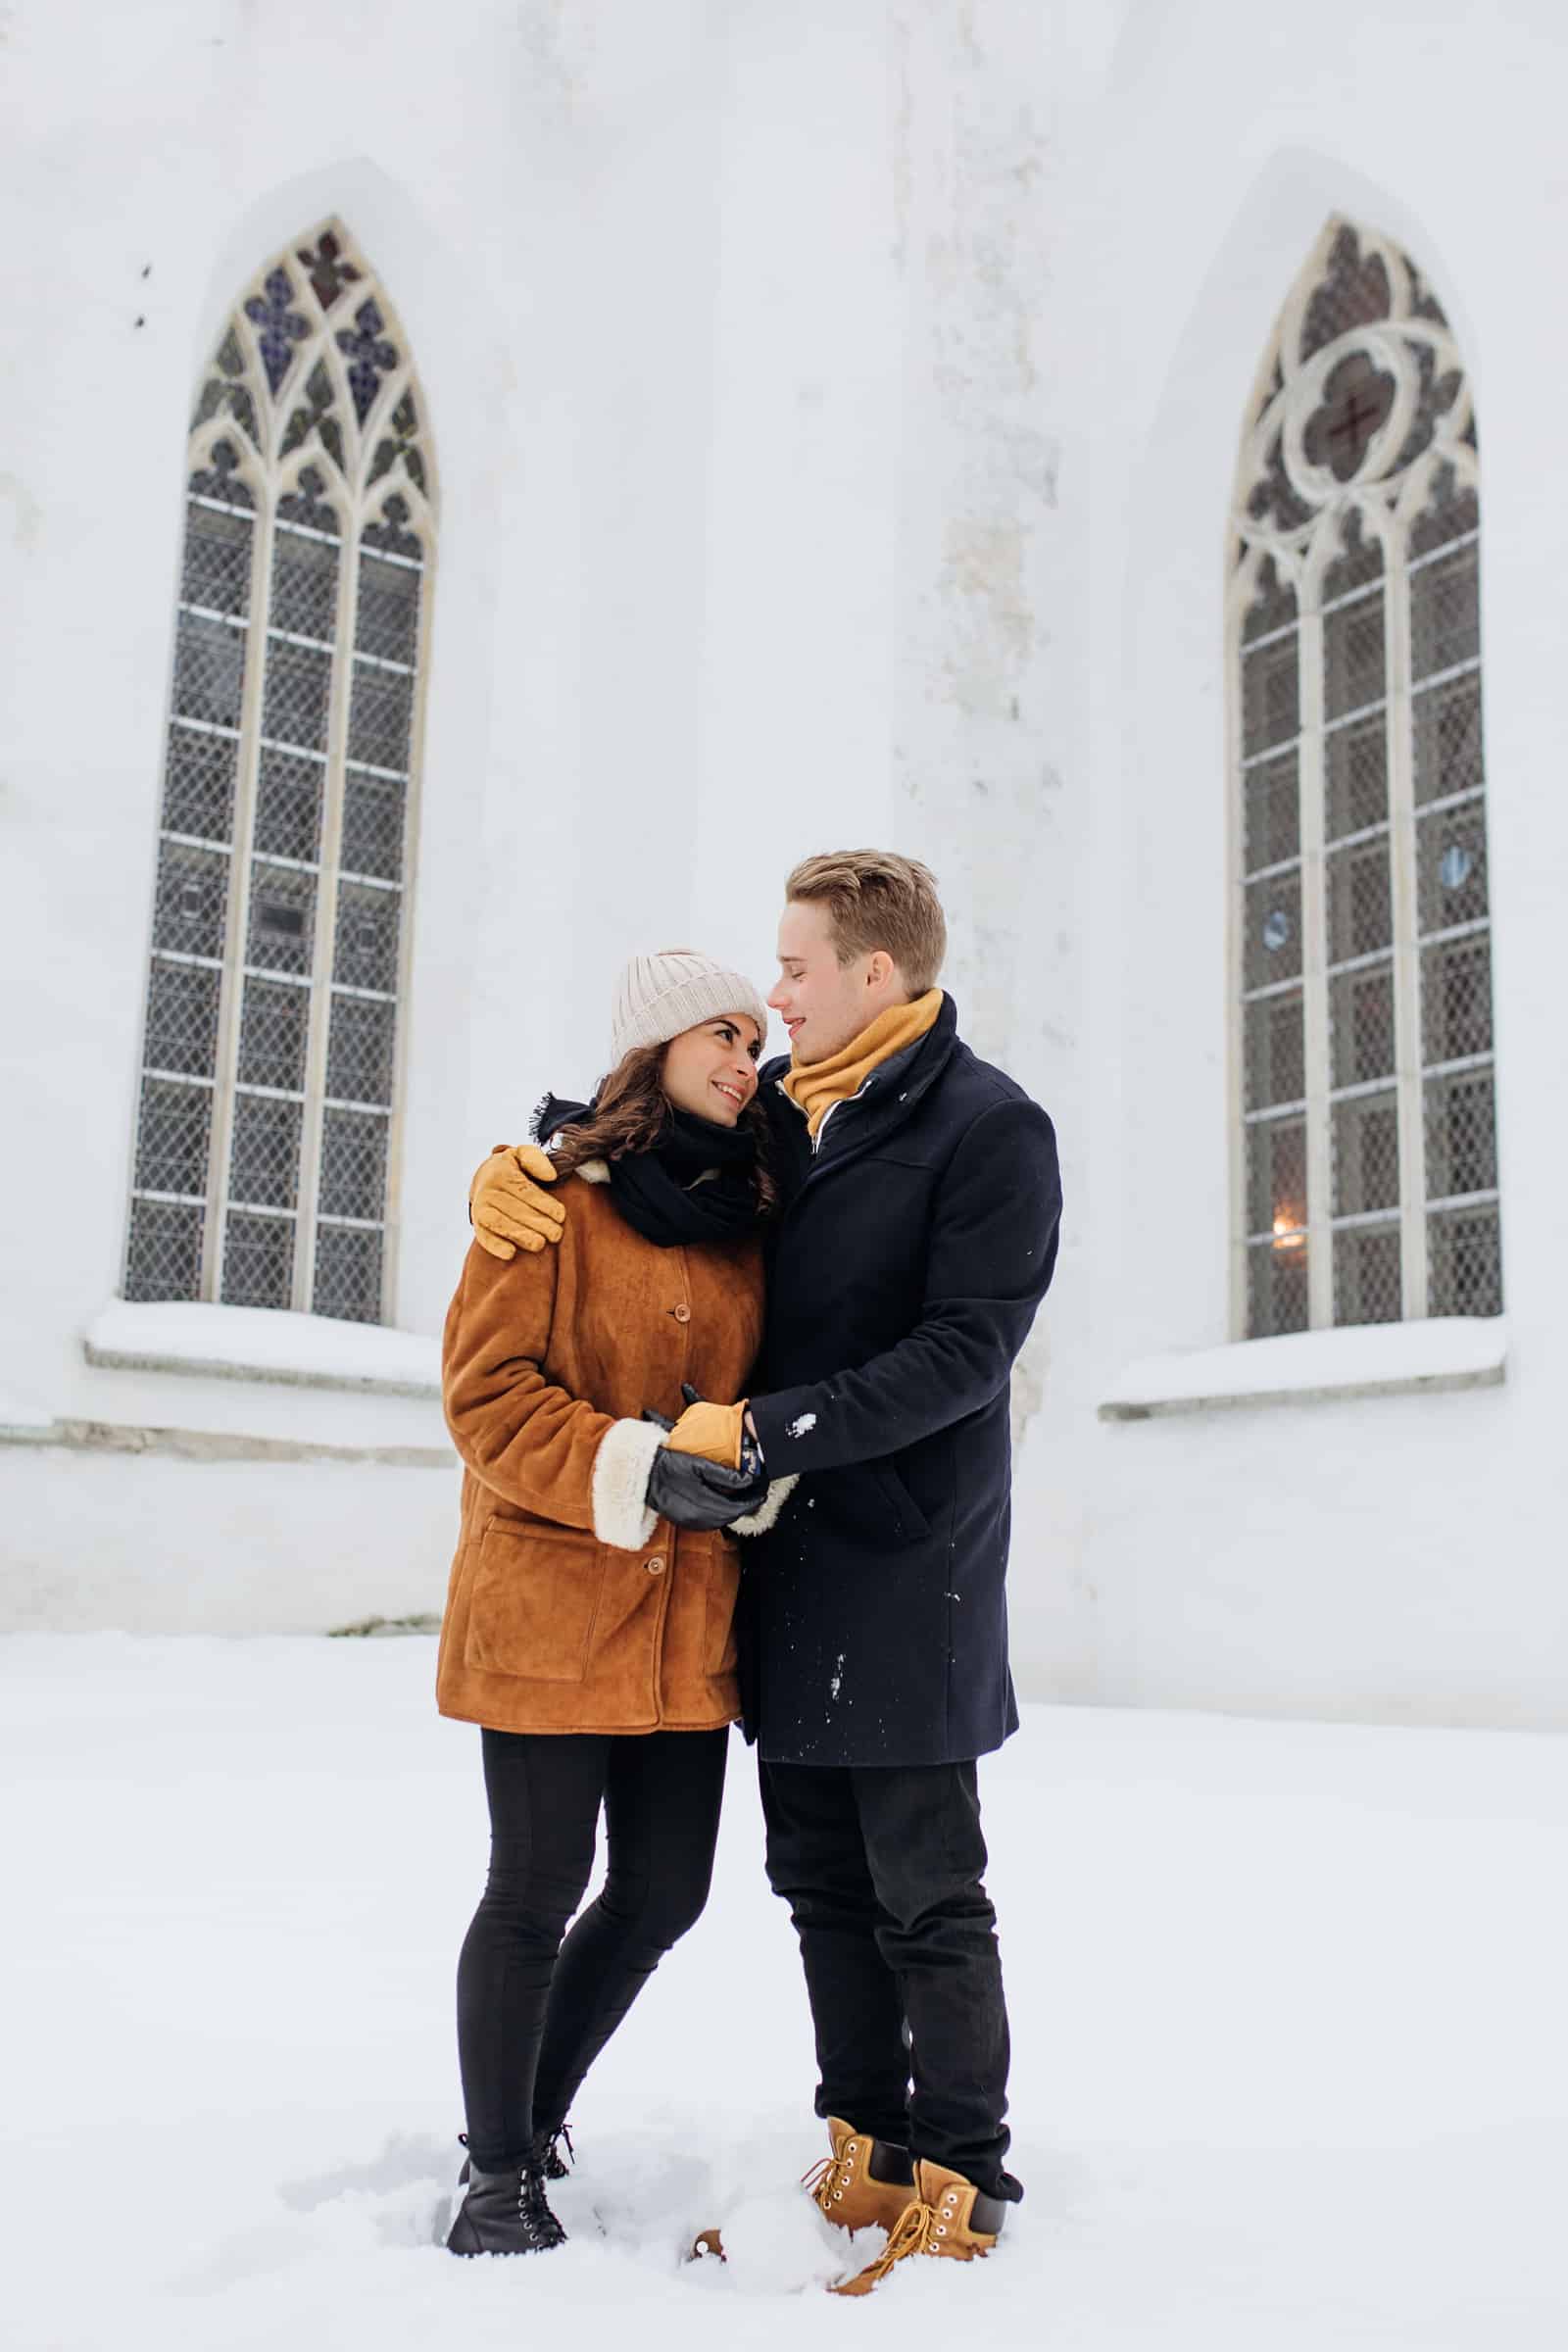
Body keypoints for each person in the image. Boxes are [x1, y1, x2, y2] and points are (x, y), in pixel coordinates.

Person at [470, 852, 1062, 2296]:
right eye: (739, 1007)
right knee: (815, 1885)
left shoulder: (983, 1126)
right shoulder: (799, 1130)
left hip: (903, 1574)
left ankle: (964, 2173)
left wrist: (766, 1430)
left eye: (785, 977)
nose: (769, 1005)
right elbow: (625, 1217)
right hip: (768, 1581)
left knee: (926, 1894)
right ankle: (859, 2142)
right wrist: (523, 1163)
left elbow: (964, 1352)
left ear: (873, 970)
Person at [440, 950, 796, 2258]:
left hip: (683, 1624)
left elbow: (753, 1406)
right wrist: (637, 1465)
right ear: (654, 1046)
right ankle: (497, 2172)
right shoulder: (548, 1202)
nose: (744, 1057)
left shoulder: (751, 1222)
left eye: (756, 1038)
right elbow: (487, 1399)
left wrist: (737, 1481)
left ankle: (533, 2116)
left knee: (662, 1892)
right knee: (533, 1891)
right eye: (722, 1031)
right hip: (549, 1609)